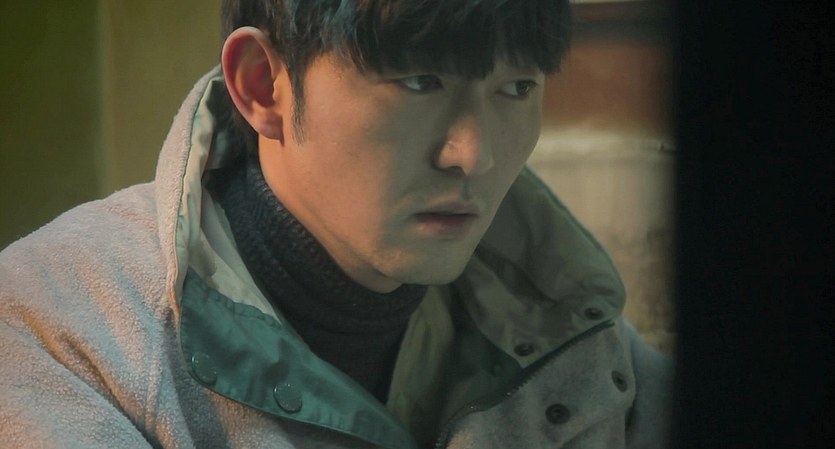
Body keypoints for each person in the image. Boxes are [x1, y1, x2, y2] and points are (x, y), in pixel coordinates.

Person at [0, 0, 672, 447]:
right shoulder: (59, 332)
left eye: (517, 88)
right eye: (420, 82)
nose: (474, 155)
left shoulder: (570, 329)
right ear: (263, 85)